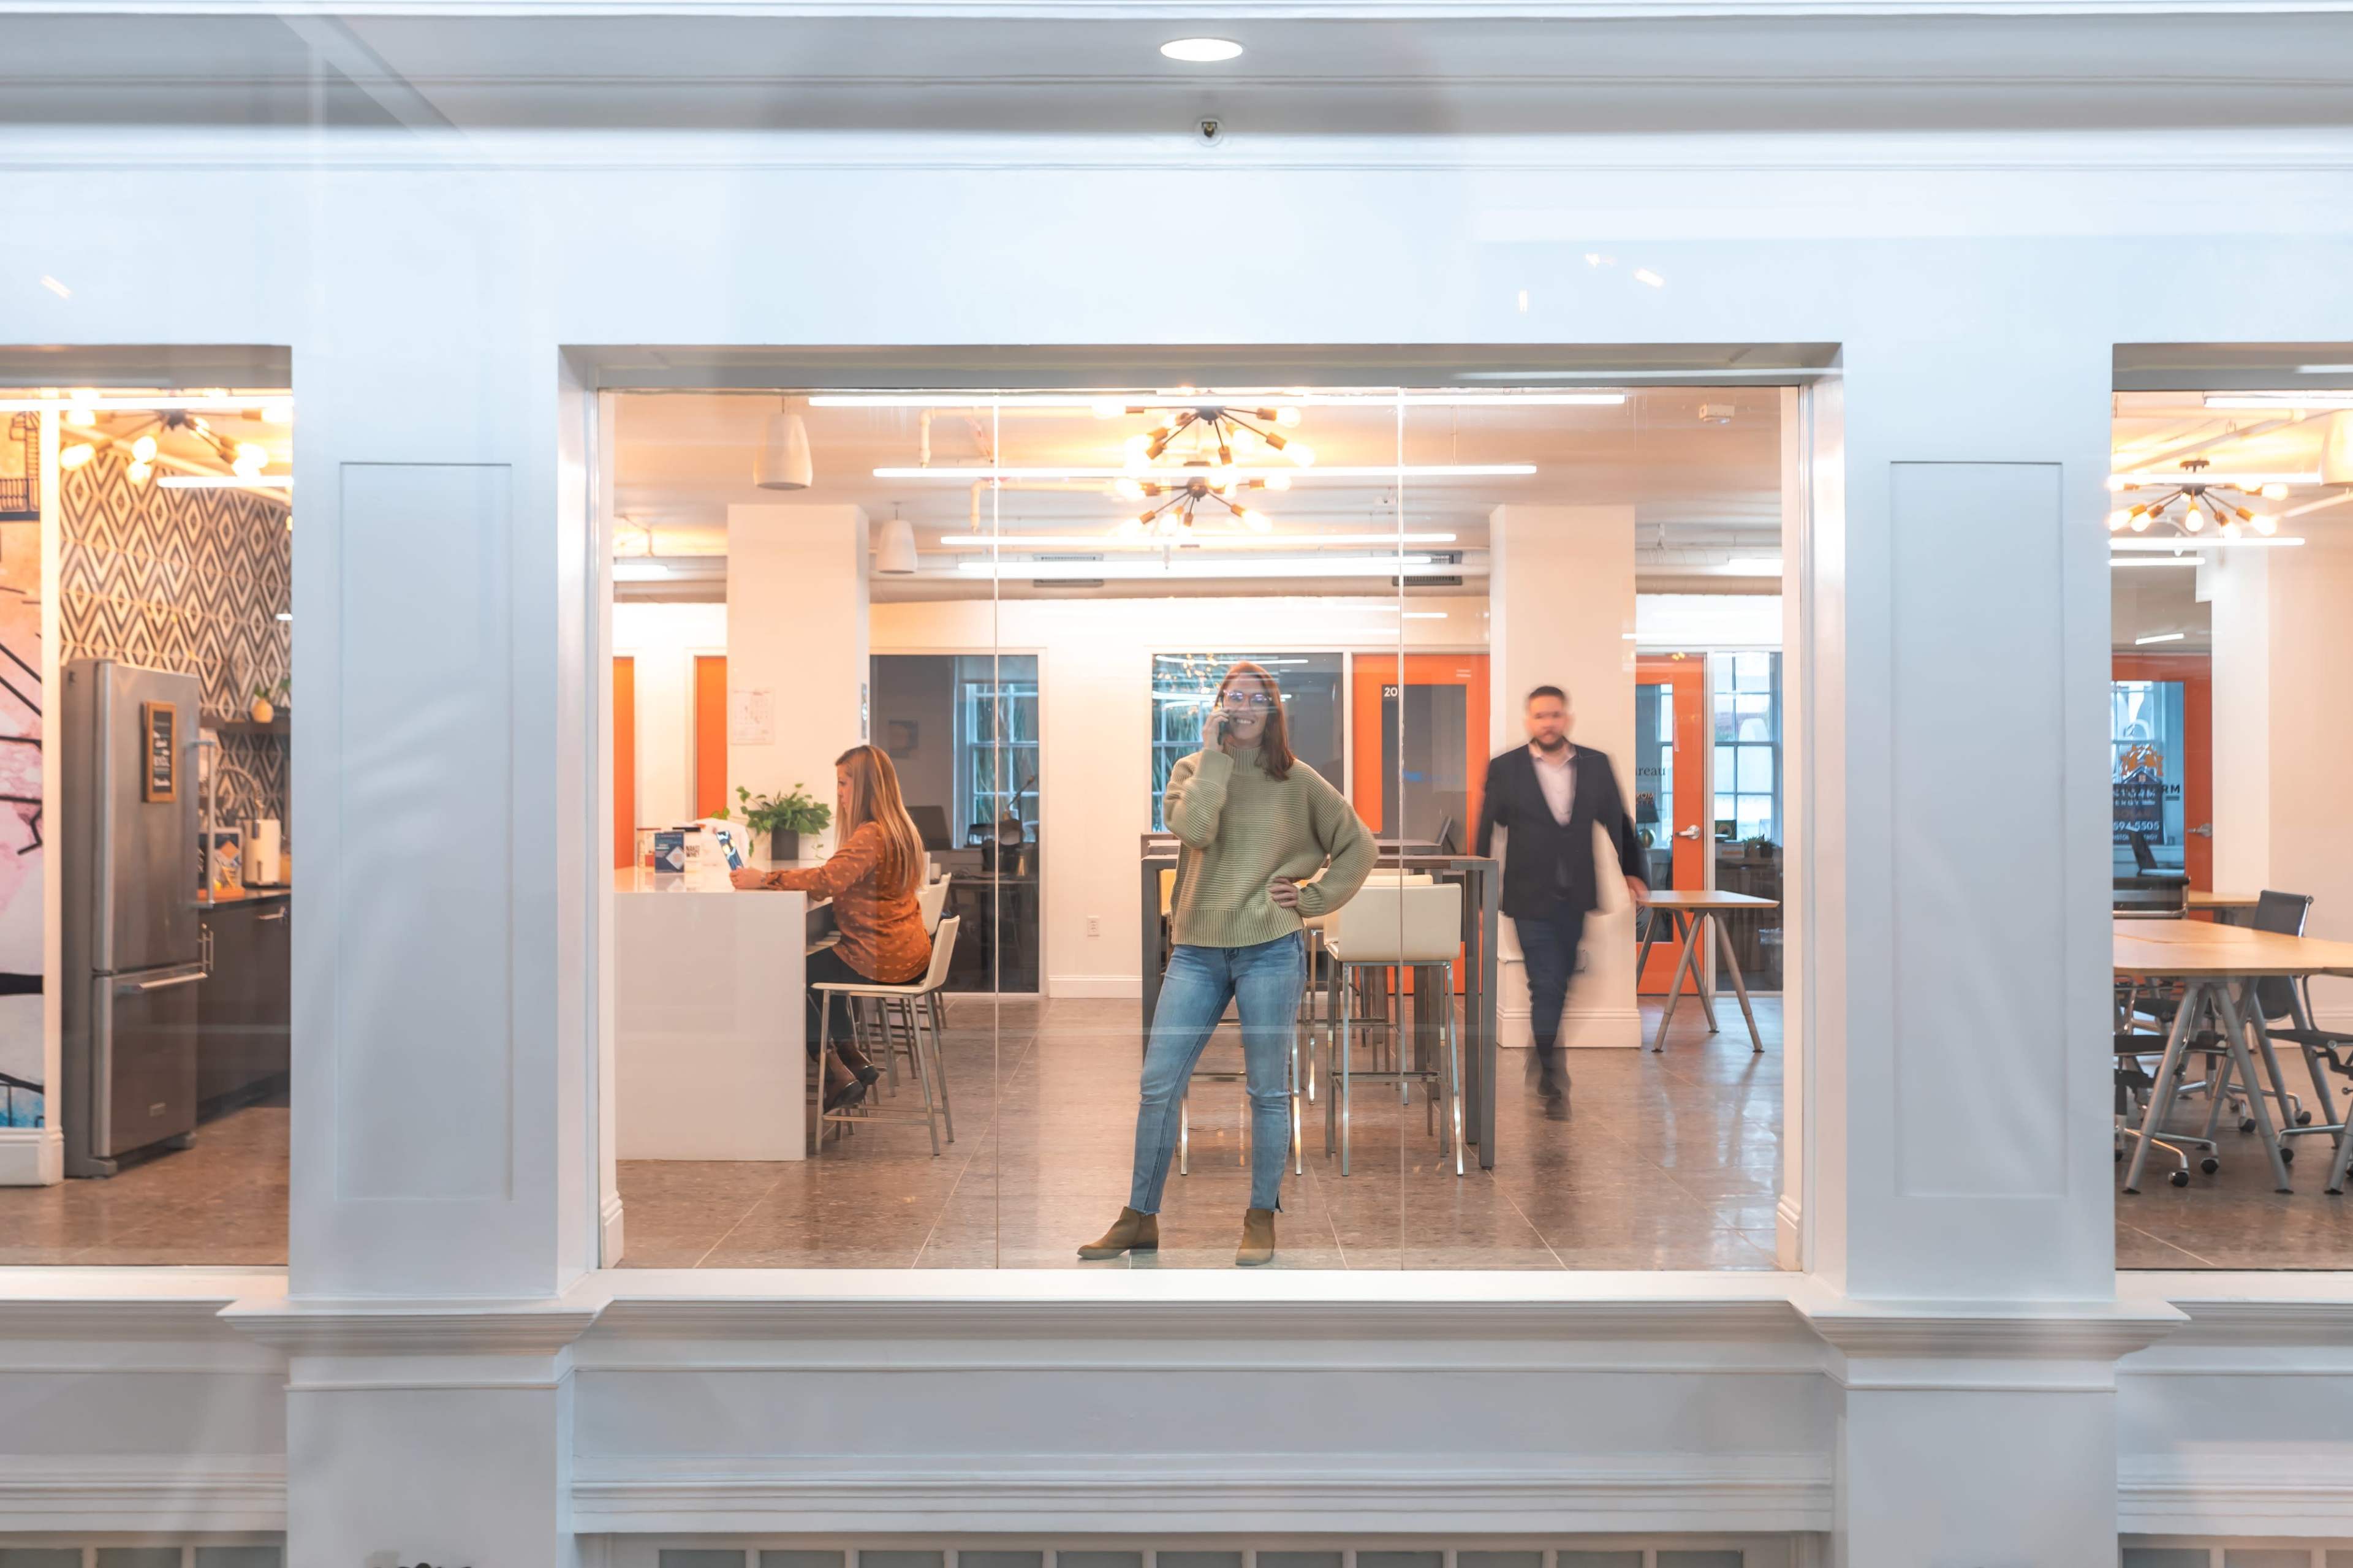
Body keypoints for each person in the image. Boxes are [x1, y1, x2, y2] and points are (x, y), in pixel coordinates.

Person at [1078, 661, 1374, 1268]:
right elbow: (1194, 828)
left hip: (1270, 946)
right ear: (1216, 708)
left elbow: (1358, 845)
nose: (1241, 707)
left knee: (1268, 1090)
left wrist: (1313, 899)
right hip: (1196, 950)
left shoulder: (1299, 780)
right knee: (1158, 1083)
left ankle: (1261, 1215)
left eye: (1254, 699)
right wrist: (1213, 756)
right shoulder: (1192, 770)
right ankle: (1140, 1216)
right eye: (1231, 698)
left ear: (1272, 712)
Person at [1474, 684, 1646, 1119]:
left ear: (1565, 717)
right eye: (1539, 716)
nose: (1547, 722)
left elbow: (1619, 821)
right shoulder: (1506, 768)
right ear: (1528, 721)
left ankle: (1543, 1045)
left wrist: (1634, 872)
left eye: (1554, 714)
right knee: (1545, 983)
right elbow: (1485, 832)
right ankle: (1552, 1073)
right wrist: (1476, 891)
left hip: (1575, 895)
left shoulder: (1595, 764)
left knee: (1562, 979)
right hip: (1527, 895)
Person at [732, 744, 932, 1114]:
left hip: (881, 958)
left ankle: (833, 1069)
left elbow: (825, 881)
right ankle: (850, 1058)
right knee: (825, 969)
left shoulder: (872, 834)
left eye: (843, 784)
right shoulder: (900, 828)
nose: (838, 793)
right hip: (907, 952)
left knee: (792, 976)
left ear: (865, 787)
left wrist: (764, 878)